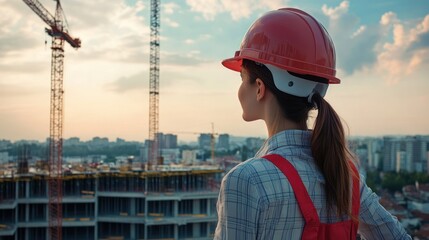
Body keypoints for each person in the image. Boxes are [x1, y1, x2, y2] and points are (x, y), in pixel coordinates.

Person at [214, 8, 411, 240]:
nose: (239, 89)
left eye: (241, 78)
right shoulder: (344, 173)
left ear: (259, 87)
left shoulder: (246, 180)